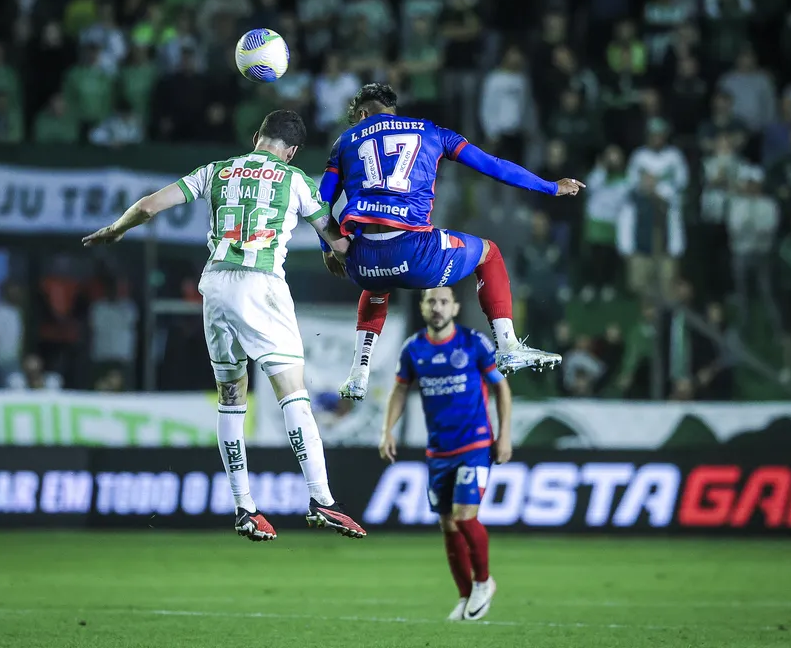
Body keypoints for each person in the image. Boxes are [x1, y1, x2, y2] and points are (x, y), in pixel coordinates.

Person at [83, 110, 366, 542]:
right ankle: (321, 499)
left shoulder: (213, 171)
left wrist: (116, 229)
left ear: (256, 137)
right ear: (291, 152)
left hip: (214, 287)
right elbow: (341, 244)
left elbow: (146, 205)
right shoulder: (297, 182)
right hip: (262, 286)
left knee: (232, 397)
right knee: (293, 393)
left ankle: (245, 508)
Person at [318, 83, 584, 399]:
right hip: (416, 255)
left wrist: (328, 250)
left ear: (362, 115)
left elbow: (321, 200)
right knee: (489, 253)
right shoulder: (432, 132)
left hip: (363, 263)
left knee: (377, 280)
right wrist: (550, 188)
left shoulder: (345, 141)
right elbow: (492, 166)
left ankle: (358, 374)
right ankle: (508, 345)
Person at [379, 287, 512, 622]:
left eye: (443, 302)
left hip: (475, 444)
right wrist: (387, 431)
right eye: (430, 302)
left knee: (465, 516)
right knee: (448, 526)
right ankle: (465, 596)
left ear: (455, 307)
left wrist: (504, 435)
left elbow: (501, 386)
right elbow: (399, 389)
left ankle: (483, 582)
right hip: (439, 450)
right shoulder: (414, 349)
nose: (437, 307)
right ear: (422, 307)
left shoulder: (473, 343)